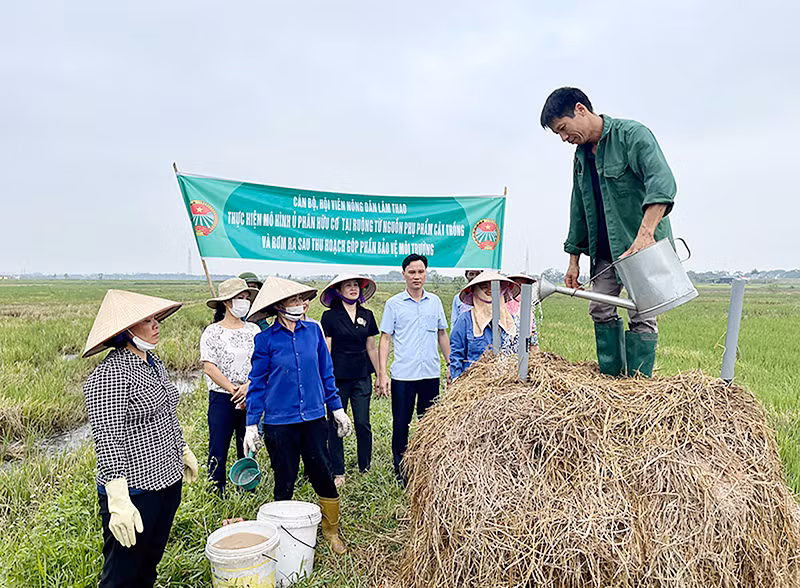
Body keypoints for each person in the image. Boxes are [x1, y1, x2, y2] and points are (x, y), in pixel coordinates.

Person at [541, 87, 676, 377]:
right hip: (604, 253)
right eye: (558, 135)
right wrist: (573, 260)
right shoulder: (580, 158)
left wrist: (645, 235)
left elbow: (661, 182)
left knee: (642, 314)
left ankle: (638, 384)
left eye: (563, 129)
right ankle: (612, 379)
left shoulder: (633, 136)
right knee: (599, 309)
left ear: (580, 109)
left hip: (640, 248)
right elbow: (578, 206)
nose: (564, 138)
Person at [82, 290, 198, 588]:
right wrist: (118, 500)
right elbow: (107, 439)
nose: (156, 325)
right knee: (122, 574)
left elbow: (166, 413)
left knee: (148, 562)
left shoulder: (153, 362)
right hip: (135, 489)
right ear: (126, 331)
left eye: (156, 318)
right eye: (147, 320)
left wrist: (182, 448)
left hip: (167, 480)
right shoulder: (111, 374)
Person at [243, 276, 353, 555]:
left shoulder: (313, 332)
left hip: (314, 418)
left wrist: (337, 408)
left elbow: (326, 372)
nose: (301, 304)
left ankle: (330, 531)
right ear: (279, 306)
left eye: (302, 299)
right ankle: (284, 534)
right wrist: (251, 425)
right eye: (294, 300)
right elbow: (257, 383)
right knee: (285, 478)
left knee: (322, 473)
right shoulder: (265, 340)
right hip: (280, 423)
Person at [378, 254, 449, 486]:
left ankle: (427, 465)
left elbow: (442, 334)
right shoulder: (394, 304)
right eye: (412, 272)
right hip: (403, 375)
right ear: (404, 275)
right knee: (401, 423)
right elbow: (386, 338)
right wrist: (382, 373)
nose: (417, 276)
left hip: (430, 373)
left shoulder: (435, 302)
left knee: (429, 422)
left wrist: (450, 364)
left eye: (421, 272)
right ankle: (401, 469)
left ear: (426, 274)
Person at [201, 277, 261, 494]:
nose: (244, 302)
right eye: (239, 298)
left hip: (250, 395)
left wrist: (249, 386)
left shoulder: (254, 330)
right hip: (222, 397)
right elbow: (209, 366)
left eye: (246, 298)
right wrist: (234, 390)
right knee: (219, 445)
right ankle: (216, 490)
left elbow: (263, 363)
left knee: (247, 443)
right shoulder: (212, 332)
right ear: (226, 302)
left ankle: (246, 487)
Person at [319, 274, 380, 487]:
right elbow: (327, 348)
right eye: (348, 286)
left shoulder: (367, 314)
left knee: (363, 422)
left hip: (362, 375)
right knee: (336, 423)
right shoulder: (329, 317)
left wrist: (381, 374)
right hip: (337, 377)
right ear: (338, 290)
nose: (353, 289)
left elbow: (371, 347)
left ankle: (365, 466)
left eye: (356, 286)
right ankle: (338, 470)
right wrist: (323, 377)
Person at [449, 272, 520, 380]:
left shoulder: (509, 321)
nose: (490, 290)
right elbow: (456, 354)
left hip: (504, 384)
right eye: (484, 287)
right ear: (476, 291)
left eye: (494, 287)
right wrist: (455, 380)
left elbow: (517, 353)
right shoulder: (465, 320)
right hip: (472, 384)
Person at [506, 273, 539, 349]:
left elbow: (533, 338)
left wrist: (536, 357)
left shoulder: (528, 309)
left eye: (524, 286)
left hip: (523, 352)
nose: (521, 288)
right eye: (518, 285)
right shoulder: (503, 304)